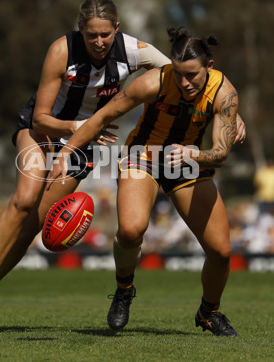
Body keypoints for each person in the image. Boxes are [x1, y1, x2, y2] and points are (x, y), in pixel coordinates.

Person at [0, 0, 247, 333]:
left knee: (221, 251)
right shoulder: (65, 51)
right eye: (92, 35)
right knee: (26, 202)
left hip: (131, 150)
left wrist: (232, 114)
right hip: (53, 132)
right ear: (81, 30)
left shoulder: (146, 56)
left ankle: (209, 311)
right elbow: (46, 117)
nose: (99, 42)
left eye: (106, 34)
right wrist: (68, 143)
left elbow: (196, 77)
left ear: (116, 29)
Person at [48, 27, 242, 336]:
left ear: (210, 67)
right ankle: (124, 289)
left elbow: (220, 153)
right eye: (178, 74)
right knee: (130, 229)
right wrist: (66, 152)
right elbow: (100, 119)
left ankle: (209, 312)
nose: (184, 83)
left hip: (188, 160)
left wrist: (194, 155)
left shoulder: (224, 94)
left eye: (191, 75)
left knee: (220, 252)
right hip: (144, 155)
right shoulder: (153, 82)